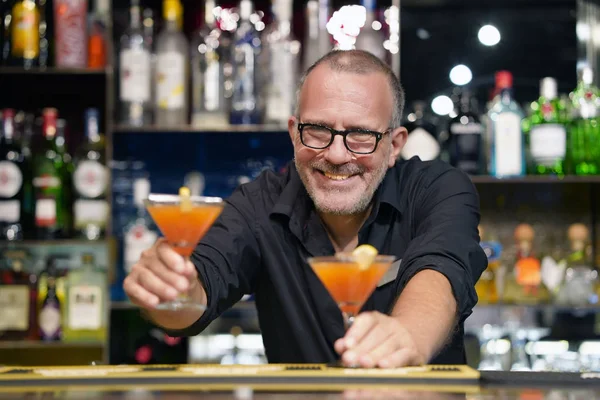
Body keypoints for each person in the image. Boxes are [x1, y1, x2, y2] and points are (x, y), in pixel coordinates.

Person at [124, 49, 487, 368]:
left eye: (361, 134)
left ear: (394, 146)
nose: (337, 154)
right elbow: (201, 286)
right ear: (294, 133)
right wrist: (170, 291)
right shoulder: (259, 205)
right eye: (317, 130)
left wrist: (407, 333)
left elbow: (442, 270)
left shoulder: (438, 189)